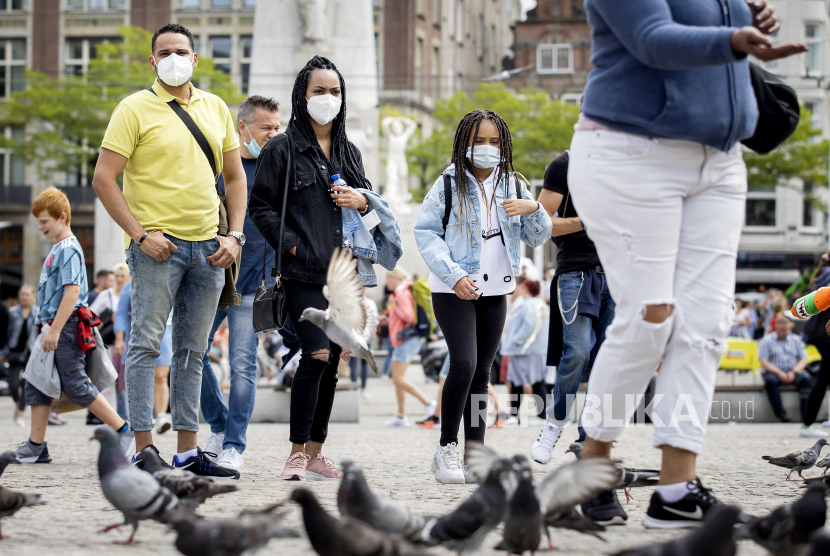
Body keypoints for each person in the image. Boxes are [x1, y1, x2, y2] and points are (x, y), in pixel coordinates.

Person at [563, 0, 804, 528]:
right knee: (651, 317)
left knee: (706, 325)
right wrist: (732, 38)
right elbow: (652, 37)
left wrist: (743, 20)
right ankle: (592, 469)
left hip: (720, 161)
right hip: (629, 153)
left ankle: (676, 492)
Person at [92, 23, 246, 478]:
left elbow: (235, 177)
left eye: (182, 50)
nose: (174, 57)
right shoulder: (133, 108)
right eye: (165, 51)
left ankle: (186, 451)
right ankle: (144, 449)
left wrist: (235, 236)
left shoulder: (216, 107)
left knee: (192, 352)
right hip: (156, 247)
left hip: (210, 249)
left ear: (195, 60)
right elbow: (104, 178)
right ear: (152, 60)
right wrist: (141, 236)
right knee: (143, 346)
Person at [249, 55, 401, 481]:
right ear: (303, 95)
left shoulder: (350, 153)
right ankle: (295, 453)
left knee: (334, 362)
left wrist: (362, 200)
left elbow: (371, 216)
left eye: (335, 91)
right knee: (315, 354)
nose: (328, 98)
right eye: (319, 90)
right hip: (302, 273)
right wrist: (293, 247)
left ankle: (317, 452)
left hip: (346, 277)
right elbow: (261, 208)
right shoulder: (282, 148)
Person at [414, 109, 552, 484]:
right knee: (463, 363)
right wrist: (455, 274)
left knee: (482, 373)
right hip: (453, 288)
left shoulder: (513, 184)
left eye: (495, 142)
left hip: (498, 289)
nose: (488, 148)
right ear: (465, 144)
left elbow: (538, 237)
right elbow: (425, 234)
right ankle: (446, 450)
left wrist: (535, 208)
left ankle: (475, 456)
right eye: (479, 141)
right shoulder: (447, 183)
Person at [14, 188, 134, 463]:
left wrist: (54, 330)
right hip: (55, 326)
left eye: (44, 221)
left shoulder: (68, 249)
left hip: (64, 328)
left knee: (77, 385)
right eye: (38, 221)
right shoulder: (60, 247)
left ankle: (125, 431)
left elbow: (72, 292)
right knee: (36, 383)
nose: (39, 226)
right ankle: (36, 445)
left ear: (62, 217)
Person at [199, 95, 281, 472]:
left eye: (277, 127)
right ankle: (217, 426)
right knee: (189, 353)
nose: (273, 133)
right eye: (266, 127)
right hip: (214, 278)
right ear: (242, 128)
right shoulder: (218, 169)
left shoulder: (277, 170)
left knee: (243, 366)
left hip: (254, 285)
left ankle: (233, 446)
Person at [531, 149, 617, 480]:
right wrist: (586, 222)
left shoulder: (626, 163)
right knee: (578, 350)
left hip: (615, 273)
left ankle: (587, 438)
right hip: (576, 273)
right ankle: (554, 424)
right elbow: (542, 224)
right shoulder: (565, 165)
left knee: (604, 359)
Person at [113, 280, 174, 434]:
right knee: (137, 376)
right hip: (137, 333)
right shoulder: (129, 284)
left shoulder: (171, 277)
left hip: (165, 332)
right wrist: (119, 339)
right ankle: (142, 419)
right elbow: (120, 314)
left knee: (161, 376)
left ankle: (161, 416)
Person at [384, 267, 437, 427]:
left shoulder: (400, 293)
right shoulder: (404, 291)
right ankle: (401, 416)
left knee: (397, 378)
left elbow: (408, 316)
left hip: (405, 341)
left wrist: (393, 306)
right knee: (398, 380)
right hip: (403, 340)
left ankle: (428, 404)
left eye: (388, 279)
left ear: (395, 278)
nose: (386, 283)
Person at [502, 279, 548, 426]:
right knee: (519, 381)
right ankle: (515, 414)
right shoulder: (536, 303)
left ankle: (541, 415)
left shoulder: (530, 304)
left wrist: (517, 341)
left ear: (526, 287)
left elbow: (529, 325)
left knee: (535, 381)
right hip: (528, 350)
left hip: (526, 350)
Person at [89, 262, 130, 419]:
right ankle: (110, 417)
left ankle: (127, 416)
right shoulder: (107, 295)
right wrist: (105, 320)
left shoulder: (131, 292)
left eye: (123, 276)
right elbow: (90, 315)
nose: (120, 279)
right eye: (117, 276)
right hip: (109, 343)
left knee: (126, 381)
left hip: (127, 342)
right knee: (108, 380)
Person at [758, 314, 812, 425]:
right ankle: (781, 414)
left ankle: (805, 415)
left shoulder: (796, 340)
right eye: (782, 330)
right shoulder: (767, 340)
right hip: (775, 372)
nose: (785, 332)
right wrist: (779, 373)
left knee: (806, 379)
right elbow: (764, 361)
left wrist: (794, 371)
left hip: (794, 371)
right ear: (776, 328)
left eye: (787, 329)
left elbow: (803, 359)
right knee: (770, 381)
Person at [3, 284, 38, 427]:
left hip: (31, 352)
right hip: (14, 352)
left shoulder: (38, 313)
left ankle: (20, 413)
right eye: (22, 294)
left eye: (27, 294)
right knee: (12, 384)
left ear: (33, 296)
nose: (24, 297)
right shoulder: (12, 312)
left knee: (26, 384)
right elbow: (5, 332)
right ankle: (18, 403)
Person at [350, 288, 379, 397]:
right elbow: (376, 321)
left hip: (354, 337)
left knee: (354, 362)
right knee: (364, 363)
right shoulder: (370, 303)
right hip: (366, 337)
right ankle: (362, 388)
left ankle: (354, 388)